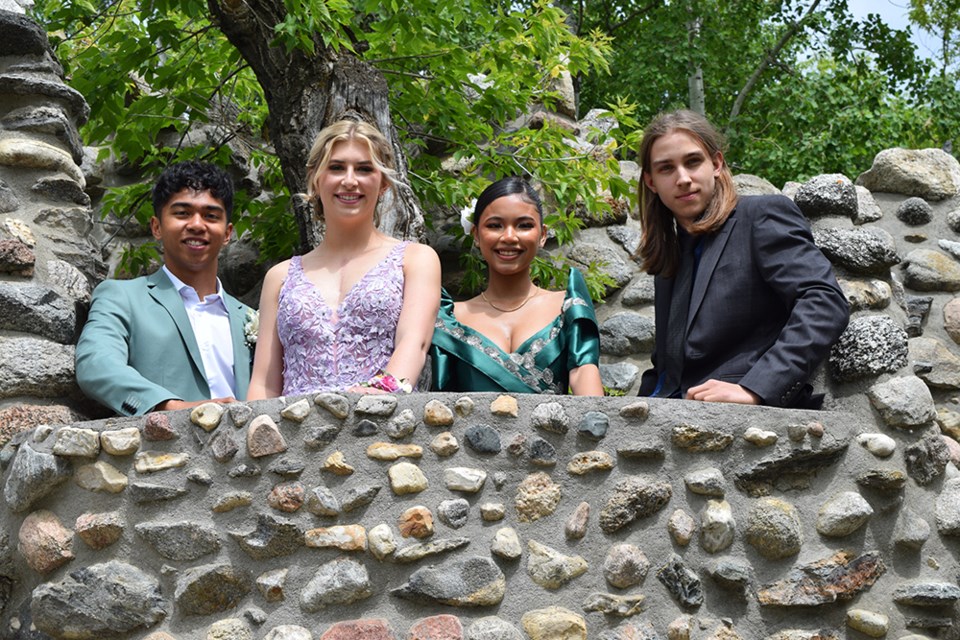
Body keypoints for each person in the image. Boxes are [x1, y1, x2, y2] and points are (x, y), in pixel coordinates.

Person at [635, 110, 849, 408]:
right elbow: (670, 366)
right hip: (664, 413)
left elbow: (824, 301)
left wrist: (756, 388)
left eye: (693, 162)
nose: (683, 178)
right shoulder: (670, 253)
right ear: (651, 182)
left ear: (717, 164)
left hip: (737, 419)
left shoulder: (761, 216)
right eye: (666, 169)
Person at [247, 120, 441, 398]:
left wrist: (369, 401)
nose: (350, 180)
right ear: (315, 177)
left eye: (364, 169)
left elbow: (414, 344)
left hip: (381, 423)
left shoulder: (416, 259)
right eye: (336, 167)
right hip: (294, 431)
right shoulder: (280, 276)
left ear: (383, 182)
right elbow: (264, 384)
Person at [76, 161, 252, 415]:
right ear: (156, 227)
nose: (197, 224)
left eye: (211, 216)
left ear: (227, 233)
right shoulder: (122, 298)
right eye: (182, 213)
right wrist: (172, 407)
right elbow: (96, 365)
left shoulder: (250, 317)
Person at [430, 177, 603, 395]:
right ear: (476, 234)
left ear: (542, 235)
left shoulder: (567, 305)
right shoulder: (449, 316)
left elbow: (585, 377)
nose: (509, 237)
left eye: (524, 225)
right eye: (495, 225)